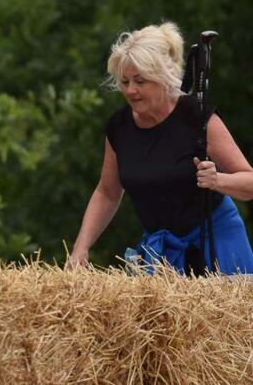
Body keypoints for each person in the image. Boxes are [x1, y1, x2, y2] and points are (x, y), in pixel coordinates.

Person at [67, 22, 253, 275]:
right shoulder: (119, 127)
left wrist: (217, 180)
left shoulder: (196, 117)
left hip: (218, 243)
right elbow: (107, 192)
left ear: (163, 77)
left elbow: (249, 182)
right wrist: (81, 247)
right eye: (124, 81)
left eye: (140, 81)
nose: (130, 90)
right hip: (162, 253)